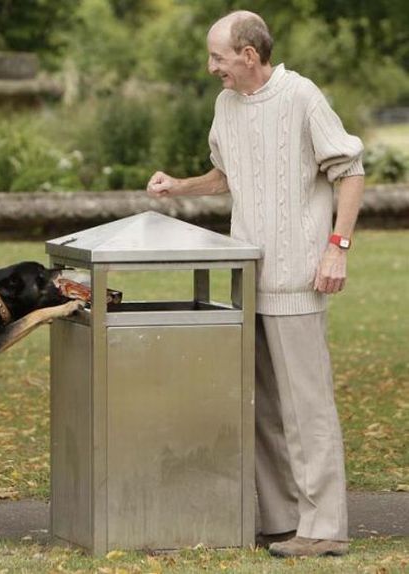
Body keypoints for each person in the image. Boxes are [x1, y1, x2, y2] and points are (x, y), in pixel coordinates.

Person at [147, 10, 364, 558]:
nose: (210, 66)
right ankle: (283, 519)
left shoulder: (301, 97)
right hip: (250, 278)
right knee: (263, 407)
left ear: (248, 54)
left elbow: (350, 172)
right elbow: (228, 174)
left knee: (306, 409)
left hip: (298, 277)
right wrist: (181, 185)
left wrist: (337, 249)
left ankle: (326, 526)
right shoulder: (226, 105)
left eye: (218, 56)